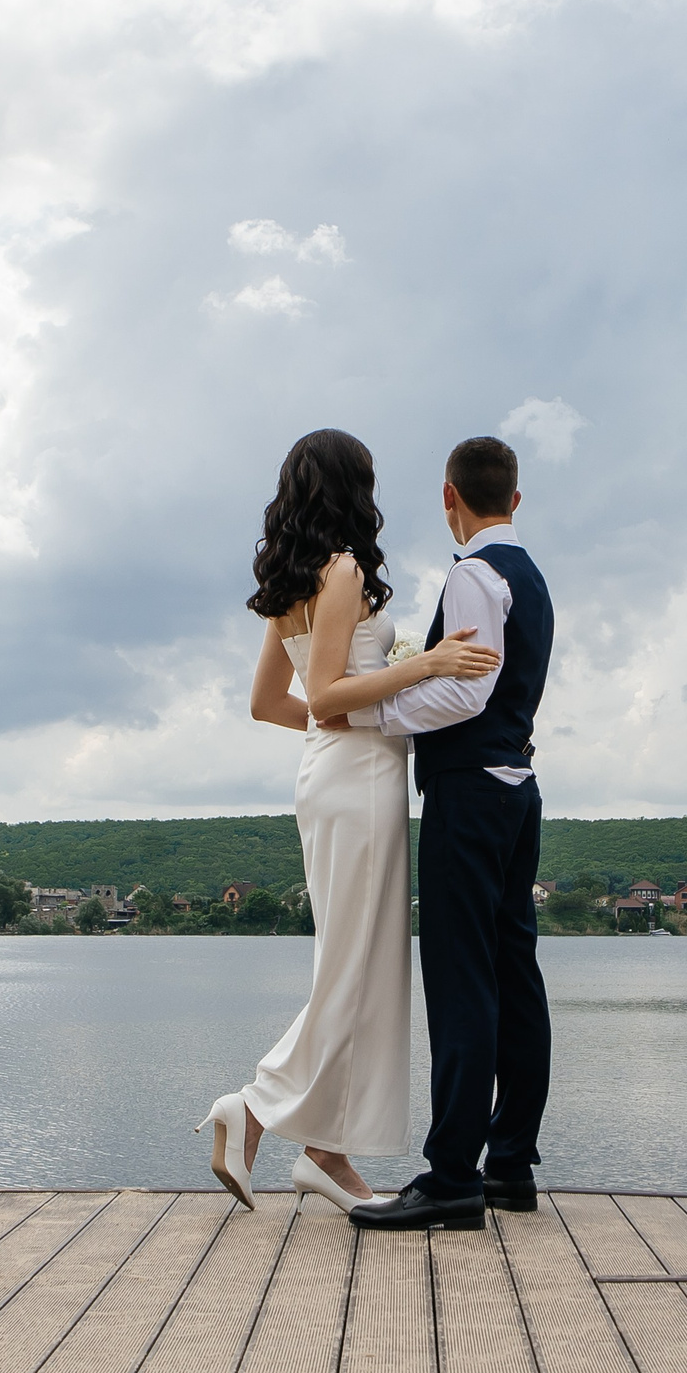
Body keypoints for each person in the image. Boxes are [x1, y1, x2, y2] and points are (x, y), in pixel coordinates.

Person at [205, 429, 502, 1215]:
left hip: (329, 775)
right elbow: (333, 690)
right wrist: (425, 663)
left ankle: (326, 1151)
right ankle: (256, 1108)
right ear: (351, 485)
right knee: (354, 967)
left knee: (357, 965)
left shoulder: (291, 577)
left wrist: (329, 722)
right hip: (362, 780)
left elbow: (273, 703)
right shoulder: (338, 570)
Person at [349, 435, 554, 1232]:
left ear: (448, 497)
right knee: (514, 974)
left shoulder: (474, 573)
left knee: (462, 977)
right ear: (516, 498)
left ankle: (450, 1177)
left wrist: (375, 712)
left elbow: (465, 691)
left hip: (469, 794)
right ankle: (509, 1164)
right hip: (518, 791)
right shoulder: (532, 576)